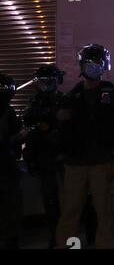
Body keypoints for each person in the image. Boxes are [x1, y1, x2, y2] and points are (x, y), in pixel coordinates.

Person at [55, 44, 114, 249]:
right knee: (70, 213)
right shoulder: (72, 95)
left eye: (98, 63)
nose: (93, 67)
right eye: (89, 62)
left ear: (104, 65)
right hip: (75, 164)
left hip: (103, 163)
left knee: (105, 214)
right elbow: (61, 125)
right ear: (81, 65)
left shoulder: (113, 94)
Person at [22, 65, 66, 248]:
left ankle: (75, 232)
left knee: (73, 197)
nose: (46, 85)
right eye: (43, 82)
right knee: (50, 199)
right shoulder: (34, 103)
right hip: (44, 158)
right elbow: (28, 129)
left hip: (65, 156)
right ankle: (55, 235)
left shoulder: (65, 101)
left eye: (50, 81)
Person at [0, 73, 27, 249]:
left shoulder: (7, 111)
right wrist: (22, 135)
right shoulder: (6, 112)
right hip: (5, 166)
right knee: (10, 205)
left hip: (7, 165)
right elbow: (8, 140)